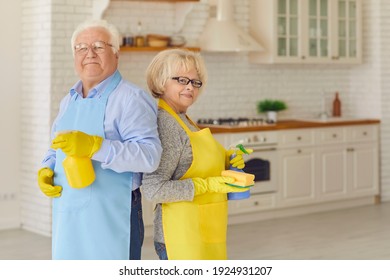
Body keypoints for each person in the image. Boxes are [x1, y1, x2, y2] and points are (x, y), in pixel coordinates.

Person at [37, 19, 162, 260]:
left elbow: (149, 156)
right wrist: (46, 167)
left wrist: (96, 147)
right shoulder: (69, 101)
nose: (89, 53)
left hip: (112, 213)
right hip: (69, 212)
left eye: (98, 46)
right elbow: (55, 149)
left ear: (116, 54)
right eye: (81, 48)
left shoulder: (131, 99)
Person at [141, 49, 250, 260]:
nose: (190, 86)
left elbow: (188, 161)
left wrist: (227, 160)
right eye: (181, 80)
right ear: (161, 81)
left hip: (203, 227)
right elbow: (154, 189)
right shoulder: (167, 124)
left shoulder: (184, 118)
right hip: (181, 235)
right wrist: (207, 185)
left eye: (195, 82)